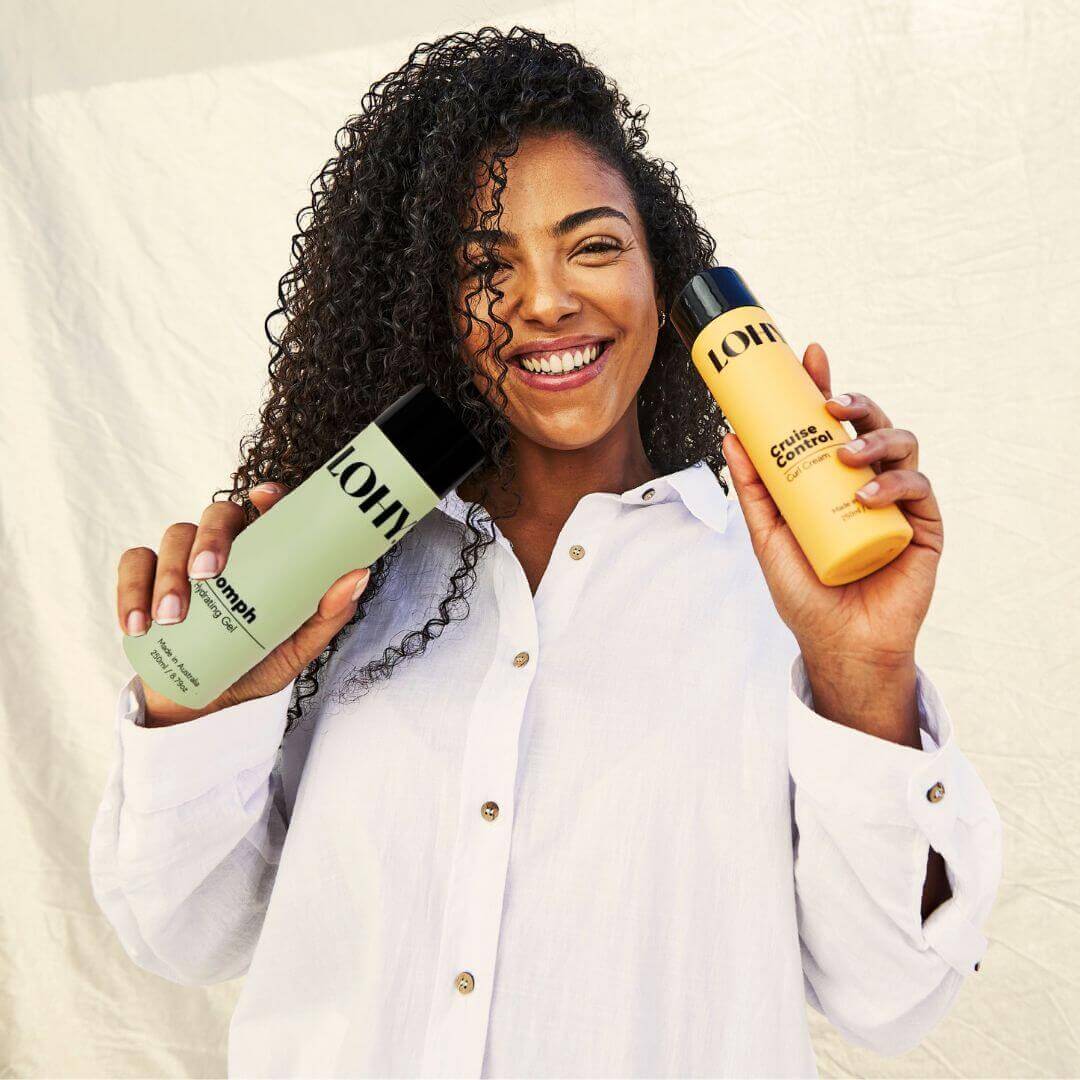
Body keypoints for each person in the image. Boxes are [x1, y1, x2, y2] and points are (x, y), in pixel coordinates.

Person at [90, 25, 1003, 1078]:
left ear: (664, 277)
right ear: (429, 310)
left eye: (594, 244)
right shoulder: (333, 578)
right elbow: (179, 935)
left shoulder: (773, 590)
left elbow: (892, 998)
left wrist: (864, 671)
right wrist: (204, 707)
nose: (546, 299)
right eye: (487, 266)